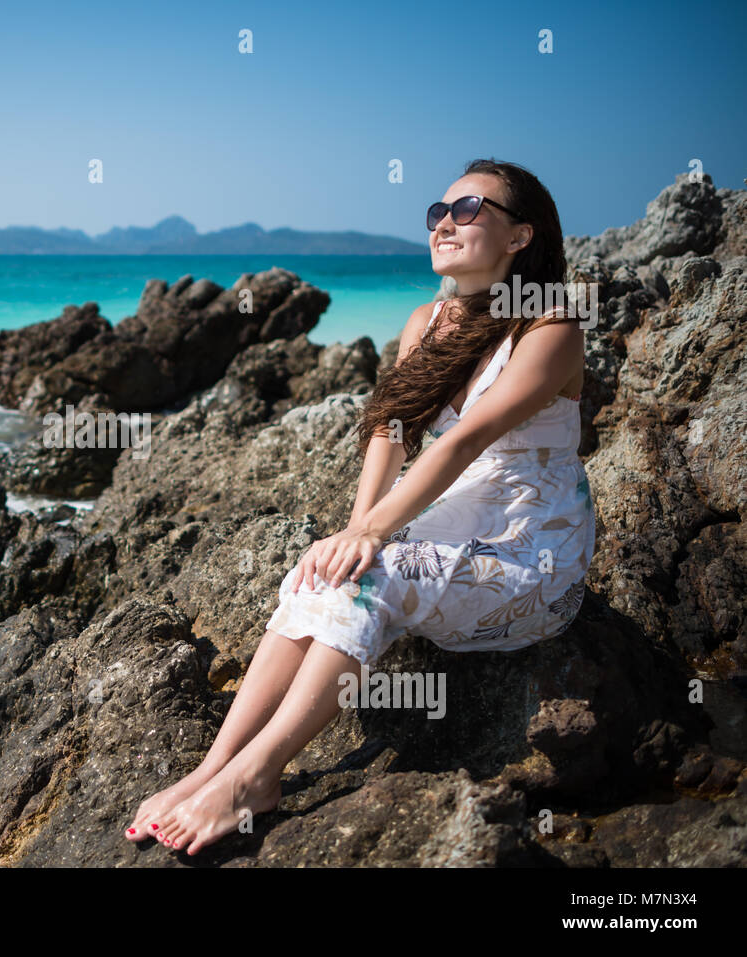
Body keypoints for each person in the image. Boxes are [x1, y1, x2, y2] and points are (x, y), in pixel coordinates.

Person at [125, 158, 594, 856]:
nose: (446, 223)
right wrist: (355, 527)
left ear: (521, 235)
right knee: (320, 574)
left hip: (531, 560)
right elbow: (393, 427)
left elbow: (466, 438)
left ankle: (258, 776)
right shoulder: (426, 321)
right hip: (452, 536)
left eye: (469, 210)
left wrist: (375, 532)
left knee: (374, 573)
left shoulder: (549, 329)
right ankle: (212, 766)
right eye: (439, 212)